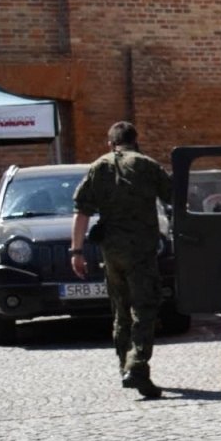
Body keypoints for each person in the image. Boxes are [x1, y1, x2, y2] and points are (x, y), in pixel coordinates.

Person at [71, 121, 172, 398]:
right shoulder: (147, 165)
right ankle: (136, 366)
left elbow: (81, 212)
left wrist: (76, 252)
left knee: (121, 311)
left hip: (112, 252)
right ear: (135, 141)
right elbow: (173, 195)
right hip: (141, 251)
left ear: (110, 143)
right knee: (145, 308)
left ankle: (124, 367)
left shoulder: (99, 167)